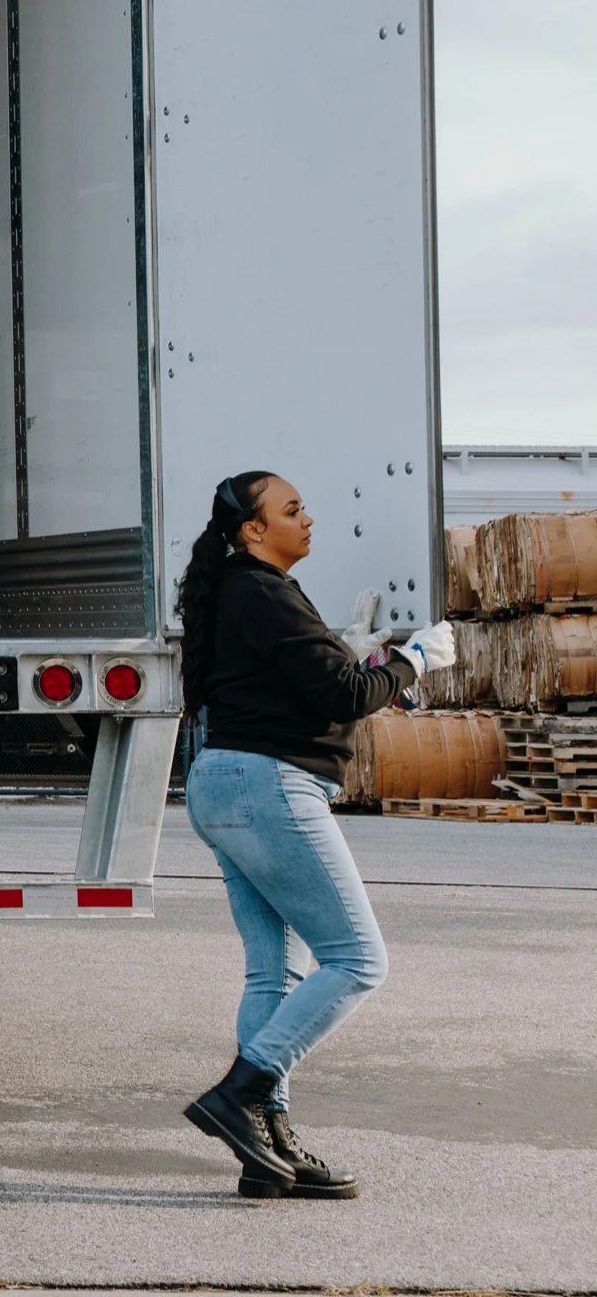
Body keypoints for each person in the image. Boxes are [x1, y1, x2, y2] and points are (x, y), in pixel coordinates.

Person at [176, 470, 453, 1201]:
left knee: (275, 974)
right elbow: (344, 694)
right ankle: (240, 1092)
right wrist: (415, 659)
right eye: (292, 509)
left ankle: (264, 1146)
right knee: (359, 958)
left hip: (225, 784)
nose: (309, 518)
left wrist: (361, 658)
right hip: (268, 786)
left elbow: (314, 683)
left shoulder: (239, 591)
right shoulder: (264, 591)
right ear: (253, 530)